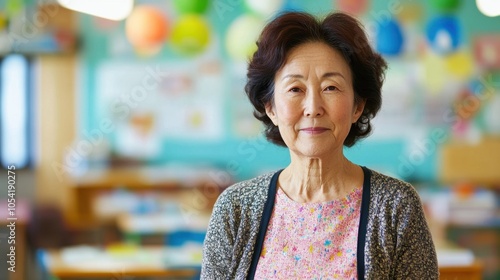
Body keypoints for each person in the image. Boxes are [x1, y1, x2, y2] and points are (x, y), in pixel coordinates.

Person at [201, 11, 438, 279]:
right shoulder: (235, 209)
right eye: (295, 89)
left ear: (357, 106)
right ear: (271, 107)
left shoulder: (396, 207)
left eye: (330, 88)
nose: (313, 108)